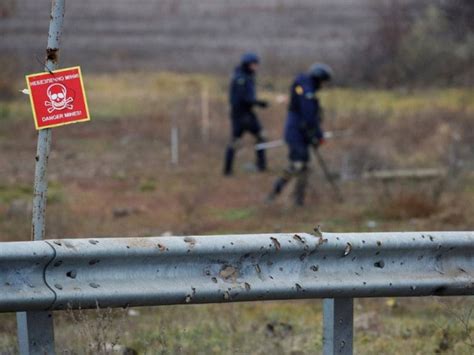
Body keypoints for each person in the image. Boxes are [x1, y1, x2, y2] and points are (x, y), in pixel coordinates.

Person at [266, 63, 333, 206]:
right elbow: (308, 116)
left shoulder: (307, 89)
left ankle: (298, 200)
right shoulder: (306, 90)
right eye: (322, 81)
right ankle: (276, 192)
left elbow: (313, 118)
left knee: (303, 167)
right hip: (296, 134)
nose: (323, 85)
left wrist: (318, 135)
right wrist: (315, 134)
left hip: (302, 135)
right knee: (297, 165)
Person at [223, 52, 269, 176]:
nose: (256, 67)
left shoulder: (244, 76)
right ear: (247, 64)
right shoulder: (241, 79)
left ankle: (227, 170)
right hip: (243, 115)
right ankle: (261, 165)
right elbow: (244, 98)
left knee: (237, 141)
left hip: (242, 114)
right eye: (254, 64)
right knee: (260, 136)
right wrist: (259, 103)